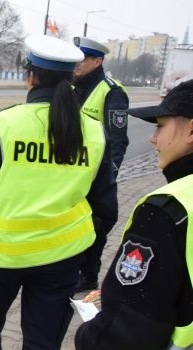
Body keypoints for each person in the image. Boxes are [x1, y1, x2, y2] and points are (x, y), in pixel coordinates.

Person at [0, 34, 118, 349]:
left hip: (1, 256)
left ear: (31, 77)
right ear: (70, 78)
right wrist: (89, 262)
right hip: (62, 258)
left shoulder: (7, 123)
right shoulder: (94, 133)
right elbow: (106, 208)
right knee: (43, 341)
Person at [75, 79, 193, 350]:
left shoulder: (165, 211)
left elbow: (124, 333)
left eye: (161, 127)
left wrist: (87, 337)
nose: (153, 138)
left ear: (191, 131)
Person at [72, 36, 131, 293]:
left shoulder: (112, 91)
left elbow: (118, 141)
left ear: (98, 60)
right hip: (73, 172)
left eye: (83, 58)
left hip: (97, 177)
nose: (77, 63)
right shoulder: (73, 89)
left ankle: (88, 277)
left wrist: (108, 178)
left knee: (96, 229)